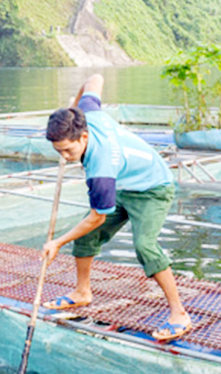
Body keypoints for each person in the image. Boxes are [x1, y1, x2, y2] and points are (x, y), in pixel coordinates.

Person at [41, 74, 193, 342]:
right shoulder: (87, 115)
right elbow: (94, 79)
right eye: (58, 152)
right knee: (87, 237)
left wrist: (57, 242)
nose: (64, 157)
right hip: (124, 182)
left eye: (67, 150)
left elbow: (96, 218)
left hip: (153, 187)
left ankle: (179, 313)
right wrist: (73, 108)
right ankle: (82, 292)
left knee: (145, 246)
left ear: (83, 136)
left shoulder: (100, 169)